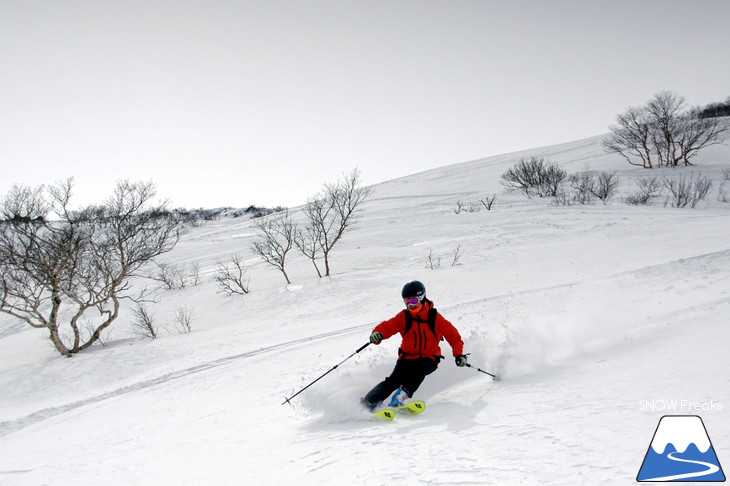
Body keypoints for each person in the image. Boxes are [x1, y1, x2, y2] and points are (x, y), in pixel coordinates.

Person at [361, 280, 468, 411]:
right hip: (406, 357)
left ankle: (399, 398)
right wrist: (378, 334)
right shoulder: (404, 316)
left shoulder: (434, 318)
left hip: (429, 358)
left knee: (419, 372)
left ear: (421, 298)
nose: (410, 305)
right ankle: (368, 403)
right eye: (406, 302)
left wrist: (458, 354)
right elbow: (388, 326)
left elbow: (454, 336)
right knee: (393, 380)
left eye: (413, 301)